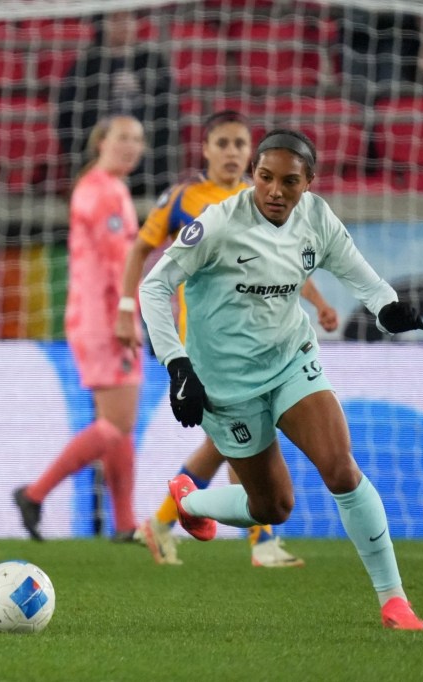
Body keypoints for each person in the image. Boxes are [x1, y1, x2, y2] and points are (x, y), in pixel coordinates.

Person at [139, 128, 423, 630]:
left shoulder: (316, 218)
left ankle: (393, 600)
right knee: (272, 507)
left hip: (292, 360)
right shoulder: (219, 224)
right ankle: (190, 501)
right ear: (254, 174)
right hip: (225, 383)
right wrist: (177, 365)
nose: (275, 191)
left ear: (309, 183)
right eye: (265, 178)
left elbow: (358, 272)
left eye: (289, 182)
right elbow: (154, 284)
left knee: (340, 468)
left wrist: (387, 308)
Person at [116, 111, 339, 568]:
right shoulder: (184, 198)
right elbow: (142, 248)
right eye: (223, 143)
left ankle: (162, 524)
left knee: (230, 441)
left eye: (240, 143)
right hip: (201, 341)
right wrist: (126, 311)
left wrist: (316, 302)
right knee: (242, 437)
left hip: (256, 337)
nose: (232, 151)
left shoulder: (260, 198)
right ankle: (259, 542)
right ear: (206, 149)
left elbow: (285, 264)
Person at [13, 115, 145, 543]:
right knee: (116, 422)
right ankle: (35, 494)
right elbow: (114, 263)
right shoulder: (101, 191)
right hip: (105, 318)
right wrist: (127, 315)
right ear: (100, 140)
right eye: (122, 137)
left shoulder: (109, 187)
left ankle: (124, 524)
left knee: (118, 423)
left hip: (103, 315)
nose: (132, 147)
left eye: (138, 140)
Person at [56, 10, 174, 196]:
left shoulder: (152, 61)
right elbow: (67, 117)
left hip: (148, 168)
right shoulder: (87, 65)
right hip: (99, 161)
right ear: (103, 24)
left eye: (128, 18)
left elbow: (168, 114)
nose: (124, 25)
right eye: (116, 19)